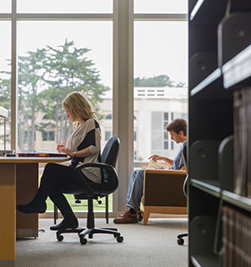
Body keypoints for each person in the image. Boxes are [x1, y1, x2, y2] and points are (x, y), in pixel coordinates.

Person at [17, 91, 102, 231]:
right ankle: (70, 219)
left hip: (87, 173)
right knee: (50, 184)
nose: (67, 115)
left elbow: (94, 148)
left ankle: (38, 203)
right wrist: (66, 149)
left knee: (50, 169)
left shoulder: (91, 123)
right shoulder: (81, 126)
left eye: (68, 111)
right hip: (79, 170)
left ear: (76, 108)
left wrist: (72, 153)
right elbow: (77, 147)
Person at [113, 118, 188, 224]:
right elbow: (177, 165)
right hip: (170, 177)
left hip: (171, 181)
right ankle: (134, 210)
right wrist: (163, 159)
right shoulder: (184, 146)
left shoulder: (187, 147)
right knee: (136, 173)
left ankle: (133, 211)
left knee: (139, 173)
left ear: (180, 133)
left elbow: (182, 172)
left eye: (172, 135)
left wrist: (165, 172)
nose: (171, 138)